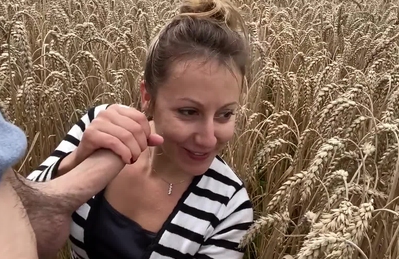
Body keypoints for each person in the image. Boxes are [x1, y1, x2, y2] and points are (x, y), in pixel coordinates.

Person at [26, 0, 254, 258]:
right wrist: (76, 161)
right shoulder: (101, 123)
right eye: (189, 112)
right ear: (148, 96)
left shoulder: (229, 207)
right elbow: (21, 213)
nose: (208, 138)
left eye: (225, 114)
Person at [0, 86, 151, 259]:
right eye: (180, 111)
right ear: (147, 96)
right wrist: (75, 160)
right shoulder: (107, 122)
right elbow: (29, 207)